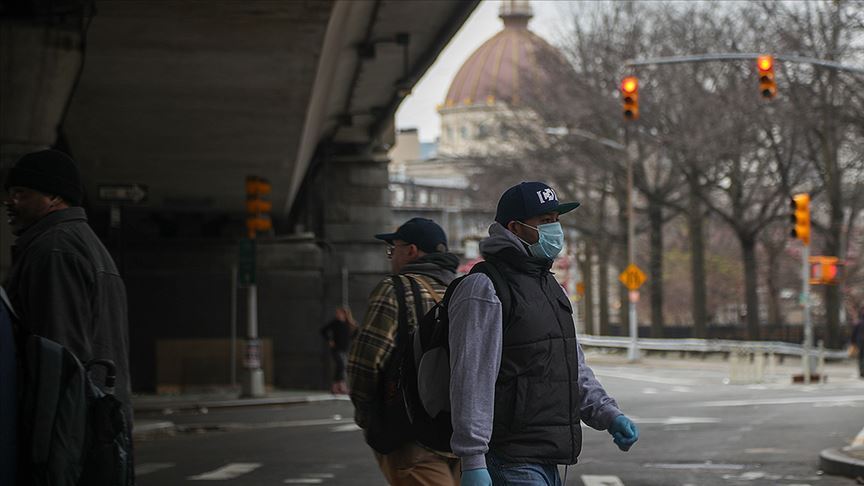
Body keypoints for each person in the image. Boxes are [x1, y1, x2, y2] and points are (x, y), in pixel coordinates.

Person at [449, 181, 639, 486]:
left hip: (547, 457)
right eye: (545, 221)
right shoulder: (484, 287)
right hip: (508, 457)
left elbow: (570, 367)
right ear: (515, 227)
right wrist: (472, 459)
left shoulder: (550, 287)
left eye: (557, 220)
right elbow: (471, 379)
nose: (555, 230)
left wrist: (607, 413)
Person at [2, 149, 132, 420]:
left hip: (67, 429)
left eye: (21, 192)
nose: (9, 201)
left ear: (54, 197)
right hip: (94, 420)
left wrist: (45, 443)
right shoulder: (84, 245)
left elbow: (58, 357)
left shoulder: (54, 250)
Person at [348, 217, 461, 486]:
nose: (391, 256)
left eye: (393, 248)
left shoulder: (395, 290)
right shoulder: (464, 291)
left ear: (411, 251)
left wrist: (370, 418)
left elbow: (364, 362)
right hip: (463, 435)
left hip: (410, 434)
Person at [321, 307, 357, 394]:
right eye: (337, 313)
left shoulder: (348, 324)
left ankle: (336, 387)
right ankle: (341, 386)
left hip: (345, 349)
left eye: (339, 313)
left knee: (341, 367)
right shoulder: (335, 323)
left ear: (344, 314)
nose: (337, 315)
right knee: (341, 366)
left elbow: (355, 333)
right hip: (336, 349)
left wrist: (352, 339)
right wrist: (329, 340)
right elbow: (323, 330)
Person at [852, 306, 864, 378]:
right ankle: (862, 371)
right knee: (861, 357)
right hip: (860, 342)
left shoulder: (859, 322)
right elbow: (854, 333)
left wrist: (853, 341)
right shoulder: (859, 322)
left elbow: (854, 333)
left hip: (860, 341)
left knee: (861, 357)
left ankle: (862, 371)